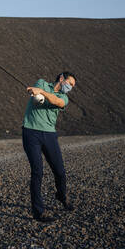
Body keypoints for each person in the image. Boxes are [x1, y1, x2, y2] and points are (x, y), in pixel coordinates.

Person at [22, 71, 77, 222]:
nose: (70, 88)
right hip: (31, 132)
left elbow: (57, 102)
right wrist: (37, 92)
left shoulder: (64, 97)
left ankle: (61, 195)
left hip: (49, 135)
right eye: (70, 83)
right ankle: (38, 212)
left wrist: (42, 93)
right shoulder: (42, 83)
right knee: (37, 171)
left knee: (59, 171)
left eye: (72, 86)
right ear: (61, 78)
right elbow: (36, 100)